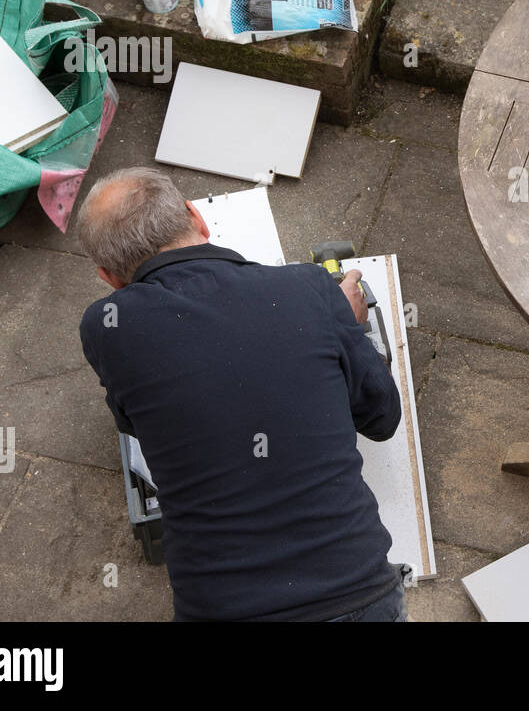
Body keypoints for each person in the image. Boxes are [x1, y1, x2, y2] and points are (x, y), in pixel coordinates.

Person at [75, 166, 407, 621]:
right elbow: (381, 418)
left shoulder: (106, 327)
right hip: (355, 596)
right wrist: (344, 328)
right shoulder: (308, 288)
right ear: (197, 217)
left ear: (109, 277)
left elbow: (132, 422)